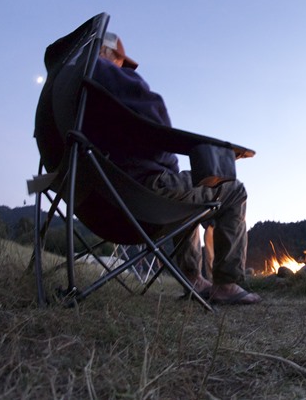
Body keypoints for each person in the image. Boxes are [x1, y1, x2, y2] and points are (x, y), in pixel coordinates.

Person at [91, 31, 260, 305]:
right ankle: (226, 284)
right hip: (142, 191)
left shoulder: (75, 91)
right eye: (121, 61)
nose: (123, 68)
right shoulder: (103, 72)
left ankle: (193, 279)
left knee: (188, 194)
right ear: (107, 53)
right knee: (233, 190)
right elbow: (156, 120)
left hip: (100, 197)